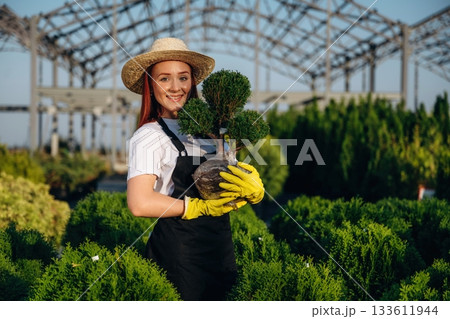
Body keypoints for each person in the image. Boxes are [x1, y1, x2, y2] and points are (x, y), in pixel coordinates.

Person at [122, 37, 264, 301]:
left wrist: (249, 186)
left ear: (193, 82)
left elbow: (219, 184)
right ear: (150, 86)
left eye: (183, 78)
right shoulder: (149, 135)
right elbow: (139, 203)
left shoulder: (211, 133)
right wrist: (196, 207)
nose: (175, 87)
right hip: (179, 255)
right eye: (164, 79)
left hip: (219, 248)